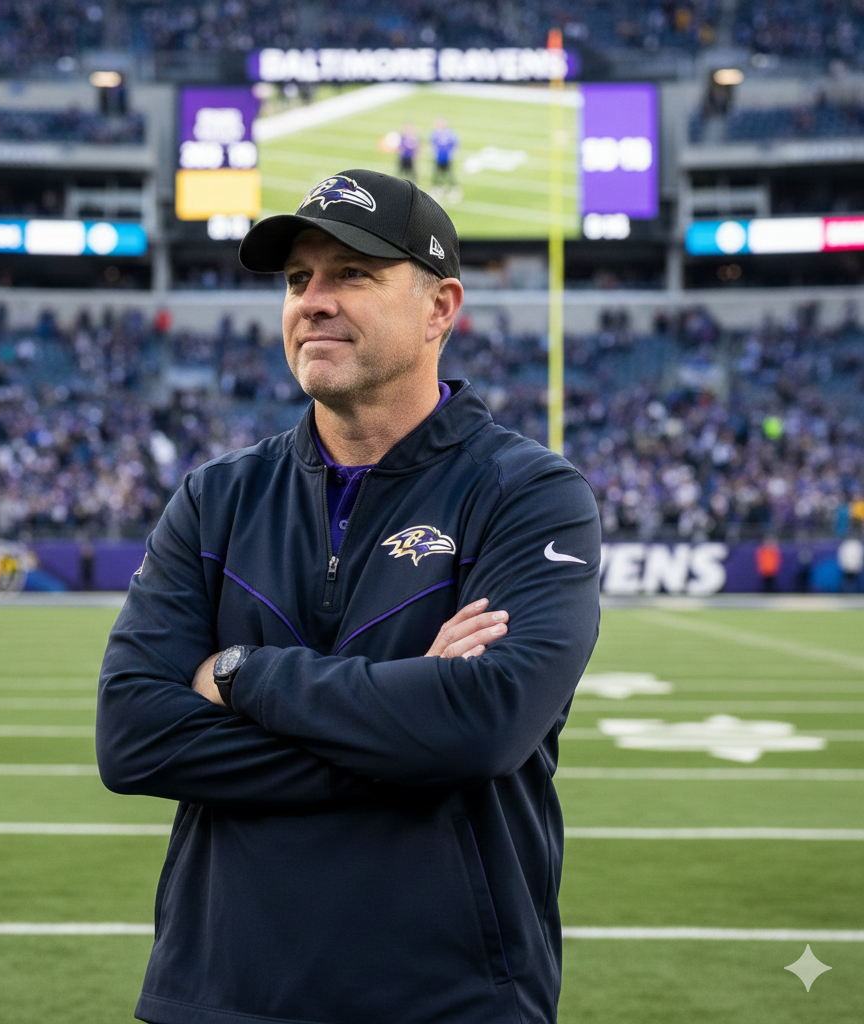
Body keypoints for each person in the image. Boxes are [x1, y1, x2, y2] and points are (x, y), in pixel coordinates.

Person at [96, 168, 601, 1024]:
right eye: (299, 280)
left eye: (352, 274)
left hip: (450, 998)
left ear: (441, 308)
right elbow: (135, 738)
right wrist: (410, 733)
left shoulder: (530, 493)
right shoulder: (216, 497)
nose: (313, 301)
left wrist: (245, 674)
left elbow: (483, 724)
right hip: (217, 993)